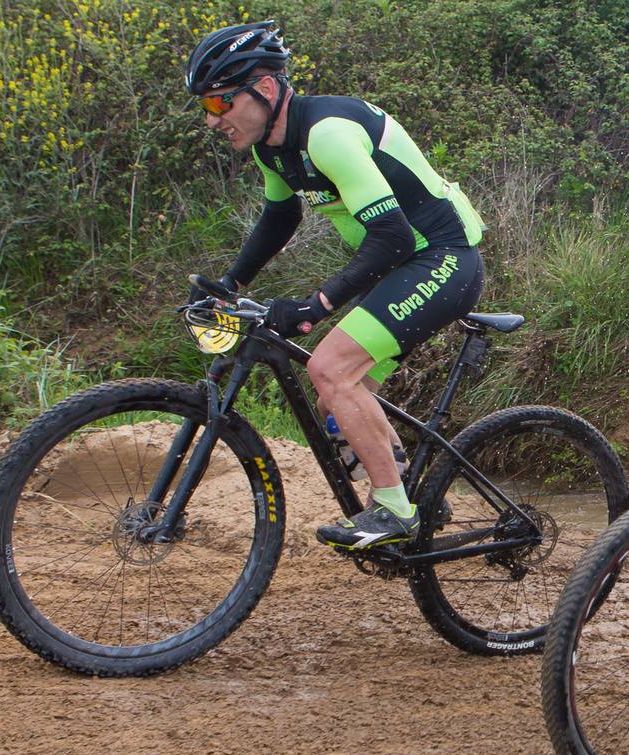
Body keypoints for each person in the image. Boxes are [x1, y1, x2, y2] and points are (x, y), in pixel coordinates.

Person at [184, 21, 487, 549]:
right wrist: (228, 284)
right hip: (407, 266)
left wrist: (315, 305)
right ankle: (420, 496)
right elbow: (280, 219)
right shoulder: (271, 148)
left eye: (219, 104)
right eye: (207, 108)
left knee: (331, 369)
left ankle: (396, 511)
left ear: (266, 88)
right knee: (336, 403)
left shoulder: (327, 133)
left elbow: (391, 236)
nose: (214, 121)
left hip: (442, 259)